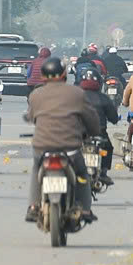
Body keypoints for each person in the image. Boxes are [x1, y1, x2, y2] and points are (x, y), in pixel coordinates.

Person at [23, 55, 99, 224]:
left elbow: (31, 116)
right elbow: (91, 118)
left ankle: (34, 206)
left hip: (42, 147)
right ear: (64, 73)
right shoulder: (77, 93)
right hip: (70, 147)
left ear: (43, 76)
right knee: (82, 174)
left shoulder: (36, 95)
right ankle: (85, 209)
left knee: (36, 170)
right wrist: (93, 132)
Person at [75, 61, 120, 186]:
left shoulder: (75, 96)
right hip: (98, 132)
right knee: (108, 148)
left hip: (78, 132)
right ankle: (104, 172)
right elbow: (114, 118)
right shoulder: (103, 98)